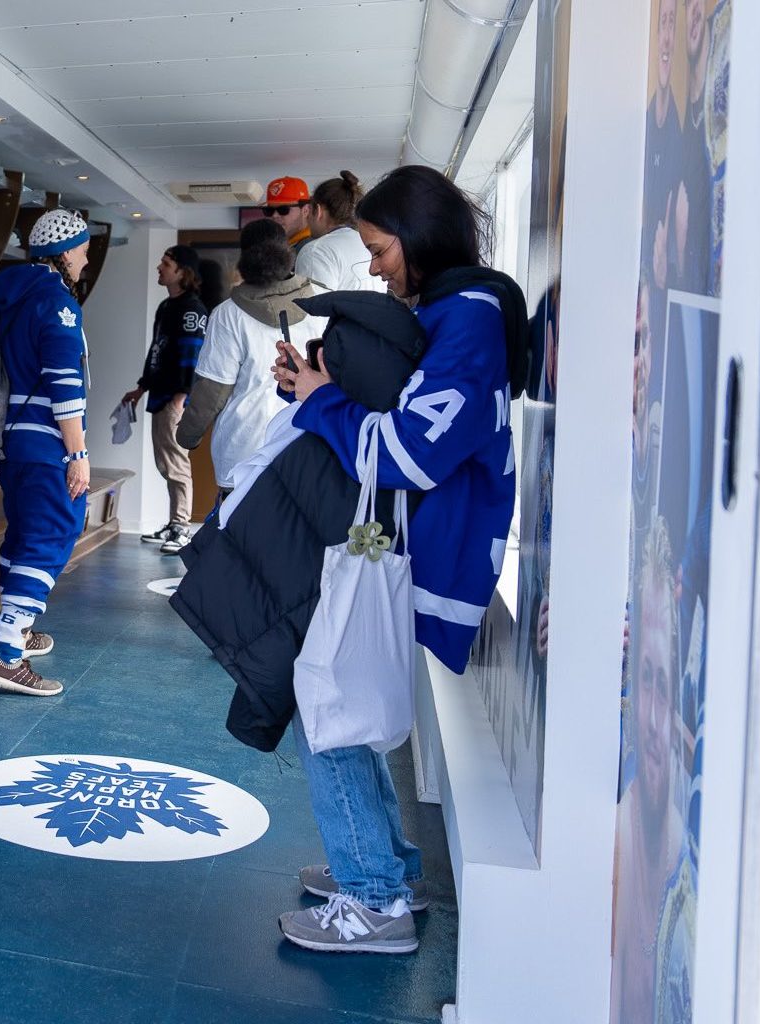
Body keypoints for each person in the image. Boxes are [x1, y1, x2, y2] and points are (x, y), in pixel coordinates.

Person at [270, 164, 525, 953]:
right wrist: (324, 389)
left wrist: (322, 399)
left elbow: (411, 456)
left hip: (419, 554)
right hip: (405, 551)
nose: (374, 266)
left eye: (380, 249)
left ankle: (373, 899)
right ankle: (387, 868)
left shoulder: (471, 318)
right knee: (343, 703)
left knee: (329, 711)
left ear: (419, 239)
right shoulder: (460, 308)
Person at [0, 208, 94, 697]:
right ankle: (7, 654)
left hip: (14, 444)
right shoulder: (57, 304)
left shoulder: (15, 297)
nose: (86, 262)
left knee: (26, 534)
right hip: (48, 444)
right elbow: (64, 385)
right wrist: (78, 453)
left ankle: (17, 633)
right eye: (85, 252)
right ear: (65, 252)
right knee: (51, 535)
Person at [175, 219, 323, 505]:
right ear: (287, 252)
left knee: (238, 540)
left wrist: (187, 436)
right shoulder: (323, 300)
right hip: (309, 443)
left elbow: (213, 389)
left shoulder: (228, 314)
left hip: (243, 450)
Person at [125, 245, 210, 553]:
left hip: (175, 400)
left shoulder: (192, 309)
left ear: (182, 272)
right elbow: (156, 352)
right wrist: (141, 387)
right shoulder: (166, 307)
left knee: (176, 463)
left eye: (166, 264)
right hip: (160, 395)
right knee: (166, 463)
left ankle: (181, 527)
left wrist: (181, 396)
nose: (159, 268)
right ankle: (174, 523)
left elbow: (194, 357)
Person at [296, 171, 386, 293]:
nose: (307, 218)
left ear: (318, 210)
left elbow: (311, 309)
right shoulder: (370, 244)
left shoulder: (316, 251)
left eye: (309, 210)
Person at [261, 175, 313, 248]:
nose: (274, 215)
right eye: (269, 210)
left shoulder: (311, 249)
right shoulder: (283, 245)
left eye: (283, 209)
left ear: (305, 210)